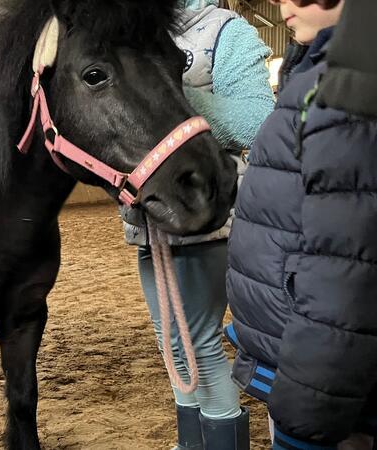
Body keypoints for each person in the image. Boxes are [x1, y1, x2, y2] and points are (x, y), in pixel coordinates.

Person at [120, 1, 275, 448]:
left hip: (208, 216)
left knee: (198, 342)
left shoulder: (226, 31)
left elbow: (256, 120)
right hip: (150, 218)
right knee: (170, 341)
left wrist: (166, 93)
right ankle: (191, 443)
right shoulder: (132, 28)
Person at [223, 0, 377, 448]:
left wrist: (307, 419)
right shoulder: (319, 70)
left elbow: (347, 271)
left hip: (324, 389)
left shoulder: (346, 86)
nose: (278, 1)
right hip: (298, 353)